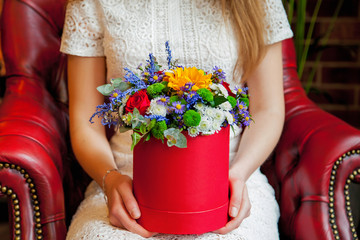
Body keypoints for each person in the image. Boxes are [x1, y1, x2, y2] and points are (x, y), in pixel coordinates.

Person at [60, 0, 293, 239]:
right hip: (127, 180)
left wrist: (239, 174)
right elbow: (86, 120)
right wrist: (110, 179)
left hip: (232, 177)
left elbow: (268, 109)